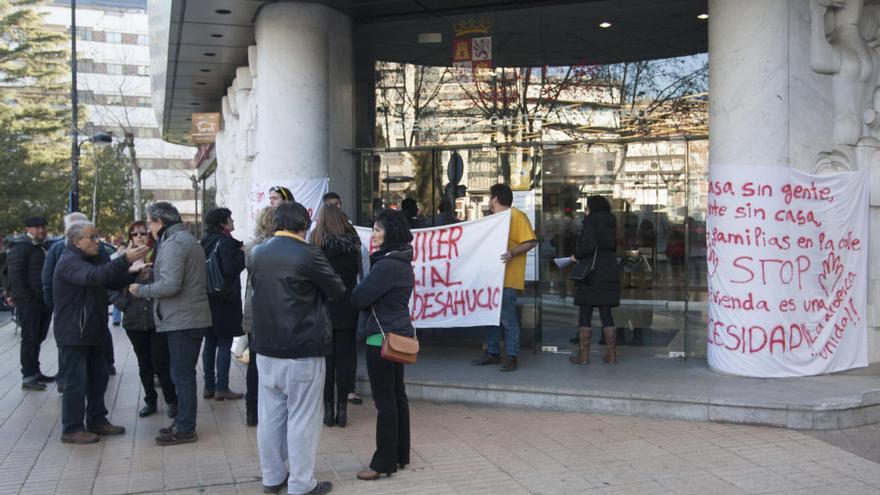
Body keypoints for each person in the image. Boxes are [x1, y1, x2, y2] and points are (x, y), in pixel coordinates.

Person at [250, 202, 344, 495]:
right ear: (305, 224)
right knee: (303, 418)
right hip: (303, 346)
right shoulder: (308, 254)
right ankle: (301, 484)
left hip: (266, 347)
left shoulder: (256, 253)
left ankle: (272, 477)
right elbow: (337, 290)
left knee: (270, 417)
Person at [53, 220, 148, 444]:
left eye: (97, 236)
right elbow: (94, 277)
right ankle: (72, 428)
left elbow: (109, 280)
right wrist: (125, 259)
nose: (98, 242)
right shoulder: (69, 261)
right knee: (76, 382)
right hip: (75, 331)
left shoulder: (92, 259)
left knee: (99, 376)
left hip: (93, 329)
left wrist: (133, 274)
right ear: (76, 241)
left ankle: (97, 419)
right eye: (92, 238)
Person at [129, 202, 211, 446]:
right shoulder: (183, 240)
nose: (149, 229)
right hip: (185, 317)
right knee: (181, 374)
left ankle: (186, 428)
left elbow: (171, 285)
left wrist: (140, 289)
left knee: (182, 376)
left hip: (184, 320)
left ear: (160, 222)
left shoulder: (175, 244)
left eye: (150, 223)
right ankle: (184, 421)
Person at [351, 208, 414, 481]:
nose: (374, 234)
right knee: (397, 396)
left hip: (381, 337)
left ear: (391, 233)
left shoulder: (386, 265)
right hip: (398, 335)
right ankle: (400, 454)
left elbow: (359, 297)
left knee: (385, 401)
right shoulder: (401, 260)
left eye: (378, 229)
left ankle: (383, 462)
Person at [110, 222, 178, 418]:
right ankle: (150, 401)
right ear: (130, 236)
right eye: (134, 233)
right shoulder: (122, 259)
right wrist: (124, 303)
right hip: (135, 318)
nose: (139, 236)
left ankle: (172, 400)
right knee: (144, 364)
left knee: (161, 362)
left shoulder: (160, 253)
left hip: (158, 317)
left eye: (143, 233)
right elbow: (109, 286)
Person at [471, 184, 536, 372]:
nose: (489, 200)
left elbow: (531, 241)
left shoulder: (516, 216)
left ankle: (511, 356)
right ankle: (493, 353)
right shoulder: (495, 219)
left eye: (490, 197)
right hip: (491, 279)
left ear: (496, 199)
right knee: (491, 318)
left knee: (508, 320)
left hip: (506, 279)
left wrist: (511, 253)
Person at [310, 204, 360, 428]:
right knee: (346, 358)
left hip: (324, 307)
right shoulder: (353, 245)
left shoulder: (317, 246)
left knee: (327, 361)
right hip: (347, 306)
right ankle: (342, 408)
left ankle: (328, 409)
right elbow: (360, 274)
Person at [200, 207, 246, 401]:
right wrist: (242, 254)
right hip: (224, 300)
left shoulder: (204, 242)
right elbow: (230, 270)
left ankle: (208, 386)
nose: (233, 221)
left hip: (207, 297)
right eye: (230, 219)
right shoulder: (226, 243)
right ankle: (222, 387)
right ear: (222, 223)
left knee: (210, 342)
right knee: (225, 343)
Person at [569, 196, 621, 365]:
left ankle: (583, 356)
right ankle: (611, 355)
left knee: (586, 311)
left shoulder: (591, 220)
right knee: (606, 313)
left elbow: (589, 245)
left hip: (592, 272)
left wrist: (576, 256)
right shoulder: (611, 221)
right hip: (609, 270)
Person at [41, 212, 88, 392]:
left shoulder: (94, 248)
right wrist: (52, 304)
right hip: (66, 308)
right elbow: (47, 278)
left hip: (87, 308)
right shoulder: (58, 248)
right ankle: (65, 380)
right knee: (67, 346)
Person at [7, 216, 54, 391]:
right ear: (28, 229)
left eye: (43, 226)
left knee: (38, 337)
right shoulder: (21, 247)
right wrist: (27, 299)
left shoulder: (44, 247)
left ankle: (35, 371)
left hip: (44, 301)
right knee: (30, 338)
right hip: (30, 303)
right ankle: (28, 376)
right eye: (36, 227)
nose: (41, 230)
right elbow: (16, 276)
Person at [242, 206, 276, 427]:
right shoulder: (277, 248)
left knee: (255, 361)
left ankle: (251, 410)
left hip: (253, 310)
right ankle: (266, 410)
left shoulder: (251, 247)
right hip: (273, 312)